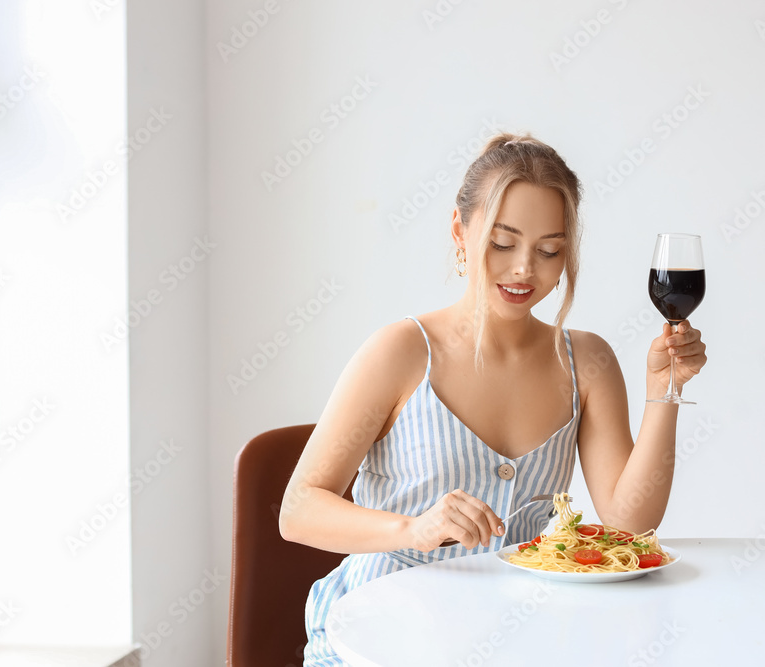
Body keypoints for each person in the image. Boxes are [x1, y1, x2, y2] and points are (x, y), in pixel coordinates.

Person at [279, 132, 707, 665]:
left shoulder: (587, 363)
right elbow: (297, 511)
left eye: (549, 250)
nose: (525, 268)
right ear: (460, 232)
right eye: (503, 243)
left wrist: (664, 390)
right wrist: (412, 529)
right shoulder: (401, 352)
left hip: (509, 639)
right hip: (376, 634)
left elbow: (628, 525)